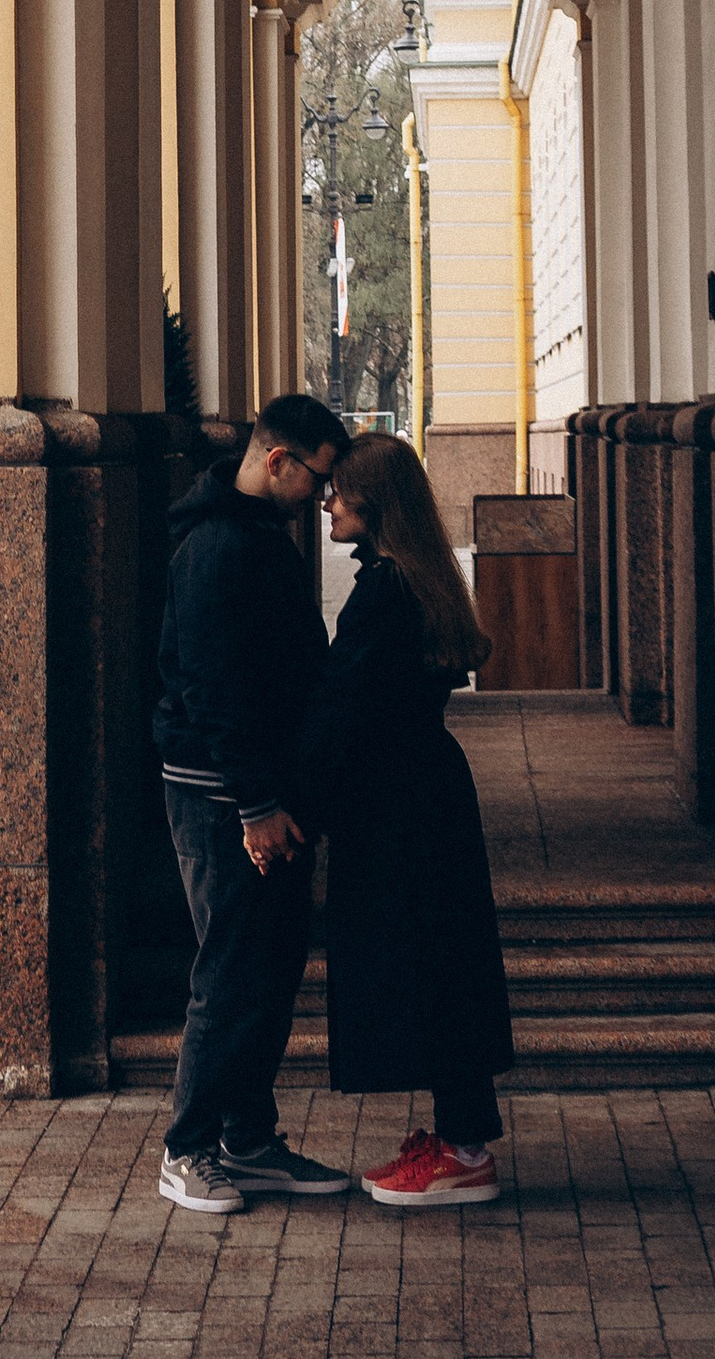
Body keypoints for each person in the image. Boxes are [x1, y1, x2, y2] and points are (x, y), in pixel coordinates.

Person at [152, 392, 358, 1214]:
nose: (323, 495)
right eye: (317, 477)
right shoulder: (214, 548)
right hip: (222, 794)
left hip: (257, 789)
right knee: (232, 968)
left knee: (270, 969)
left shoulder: (258, 538)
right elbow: (210, 689)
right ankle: (187, 1148)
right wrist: (257, 805)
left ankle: (247, 1138)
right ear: (277, 461)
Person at [296, 434, 515, 1206]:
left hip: (397, 805)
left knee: (430, 965)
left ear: (372, 502)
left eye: (340, 491)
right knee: (443, 962)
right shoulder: (413, 577)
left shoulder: (385, 589)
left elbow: (341, 707)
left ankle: (463, 1152)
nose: (327, 501)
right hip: (424, 791)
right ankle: (458, 1135)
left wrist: (293, 804)